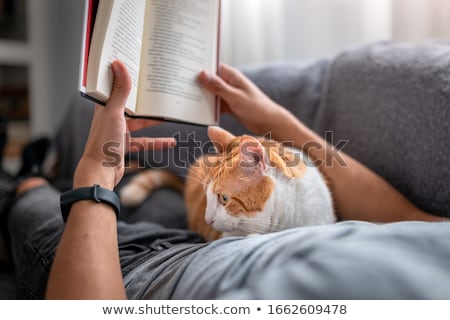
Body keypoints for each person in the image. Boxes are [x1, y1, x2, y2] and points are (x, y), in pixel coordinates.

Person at [2, 59, 449, 300]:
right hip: (212, 237)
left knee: (36, 201)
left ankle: (26, 177)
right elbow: (408, 216)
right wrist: (278, 121)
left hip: (144, 276)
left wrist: (95, 175)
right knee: (155, 194)